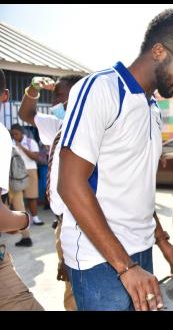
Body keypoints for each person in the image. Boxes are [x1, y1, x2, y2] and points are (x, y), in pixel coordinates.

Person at [57, 8, 173, 311]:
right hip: (100, 261)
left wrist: (163, 242)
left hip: (139, 253)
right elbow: (70, 185)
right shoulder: (100, 88)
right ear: (158, 51)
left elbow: (137, 190)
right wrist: (125, 267)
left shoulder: (153, 109)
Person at [18, 73, 83, 310]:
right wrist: (34, 88)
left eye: (59, 96)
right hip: (63, 222)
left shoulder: (92, 127)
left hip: (84, 223)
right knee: (73, 292)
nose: (54, 103)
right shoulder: (58, 125)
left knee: (85, 290)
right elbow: (26, 114)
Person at [0, 70, 43, 310]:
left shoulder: (26, 139)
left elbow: (37, 156)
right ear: (5, 95)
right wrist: (23, 222)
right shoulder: (1, 135)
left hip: (22, 176)